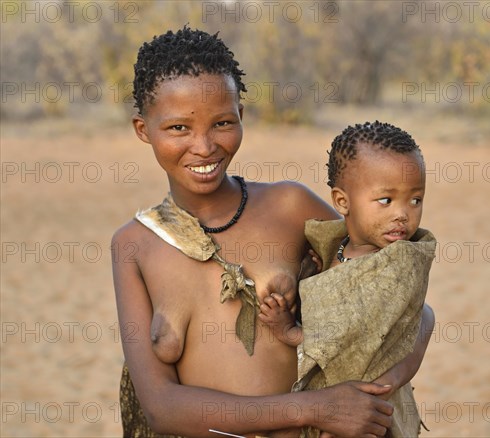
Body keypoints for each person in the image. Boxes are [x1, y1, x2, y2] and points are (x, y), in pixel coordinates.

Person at [112, 26, 433, 438]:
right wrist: (315, 408)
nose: (204, 146)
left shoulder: (290, 208)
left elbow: (406, 297)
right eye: (179, 129)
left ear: (241, 117)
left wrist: (383, 386)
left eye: (222, 122)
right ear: (143, 129)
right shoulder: (134, 246)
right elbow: (162, 407)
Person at [259, 121, 436, 437]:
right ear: (342, 202)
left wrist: (288, 332)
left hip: (369, 414)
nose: (403, 214)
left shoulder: (396, 264)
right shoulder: (336, 249)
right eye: (386, 200)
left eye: (416, 199)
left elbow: (347, 334)